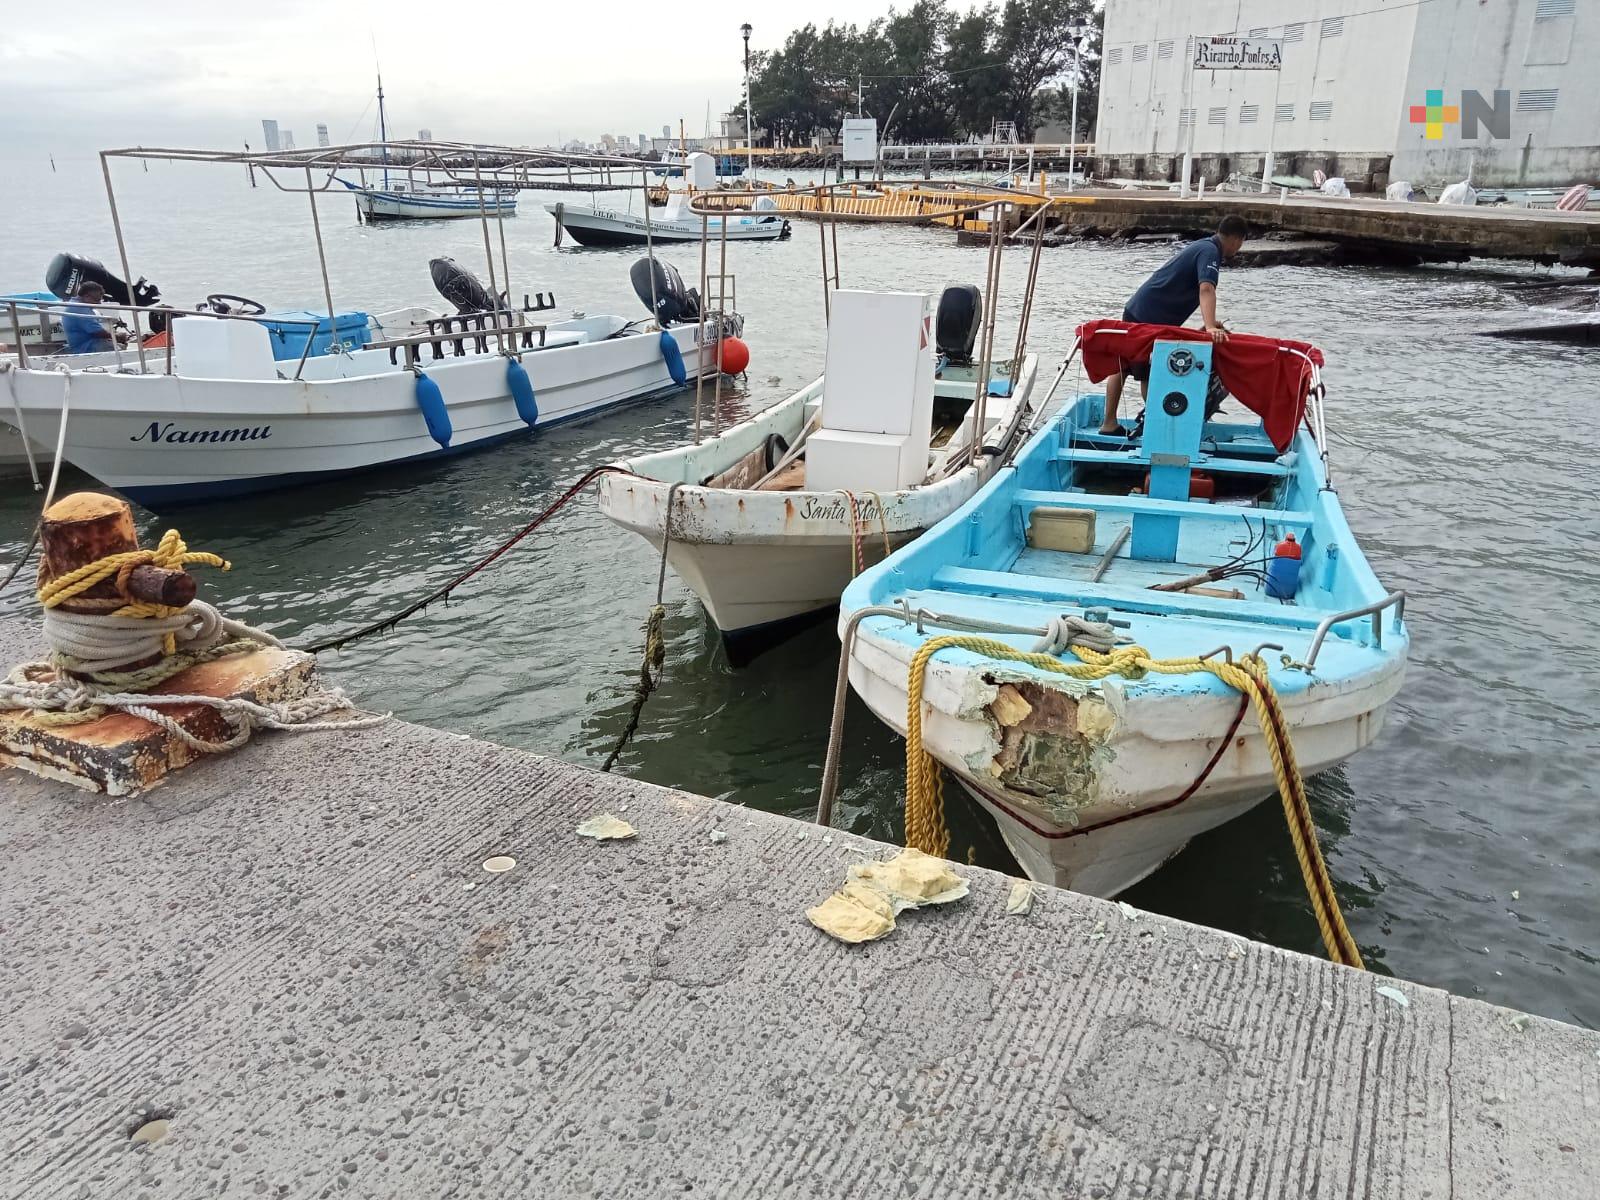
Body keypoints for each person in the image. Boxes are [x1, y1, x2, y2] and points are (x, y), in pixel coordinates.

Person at [1100, 213, 1249, 435]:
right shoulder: (1210, 252)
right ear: (1237, 239)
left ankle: (1110, 423)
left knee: (1125, 366)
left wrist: (1207, 325)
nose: (1237, 250)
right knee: (1147, 373)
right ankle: (1155, 429)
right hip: (1146, 317)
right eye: (1240, 244)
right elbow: (1206, 288)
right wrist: (1210, 328)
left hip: (1140, 310)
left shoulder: (1204, 246)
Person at [62, 281, 119, 355]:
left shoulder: (75, 303)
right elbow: (98, 332)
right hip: (84, 347)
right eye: (97, 300)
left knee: (116, 344)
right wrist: (117, 337)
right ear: (87, 296)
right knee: (117, 348)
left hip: (87, 342)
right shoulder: (79, 309)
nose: (99, 303)